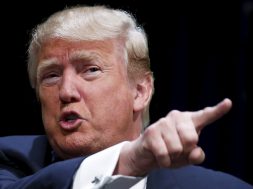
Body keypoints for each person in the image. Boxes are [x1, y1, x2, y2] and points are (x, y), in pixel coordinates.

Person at [0, 5, 252, 189]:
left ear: (140, 92)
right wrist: (128, 161)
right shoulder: (9, 161)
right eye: (51, 76)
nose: (66, 92)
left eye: (90, 70)